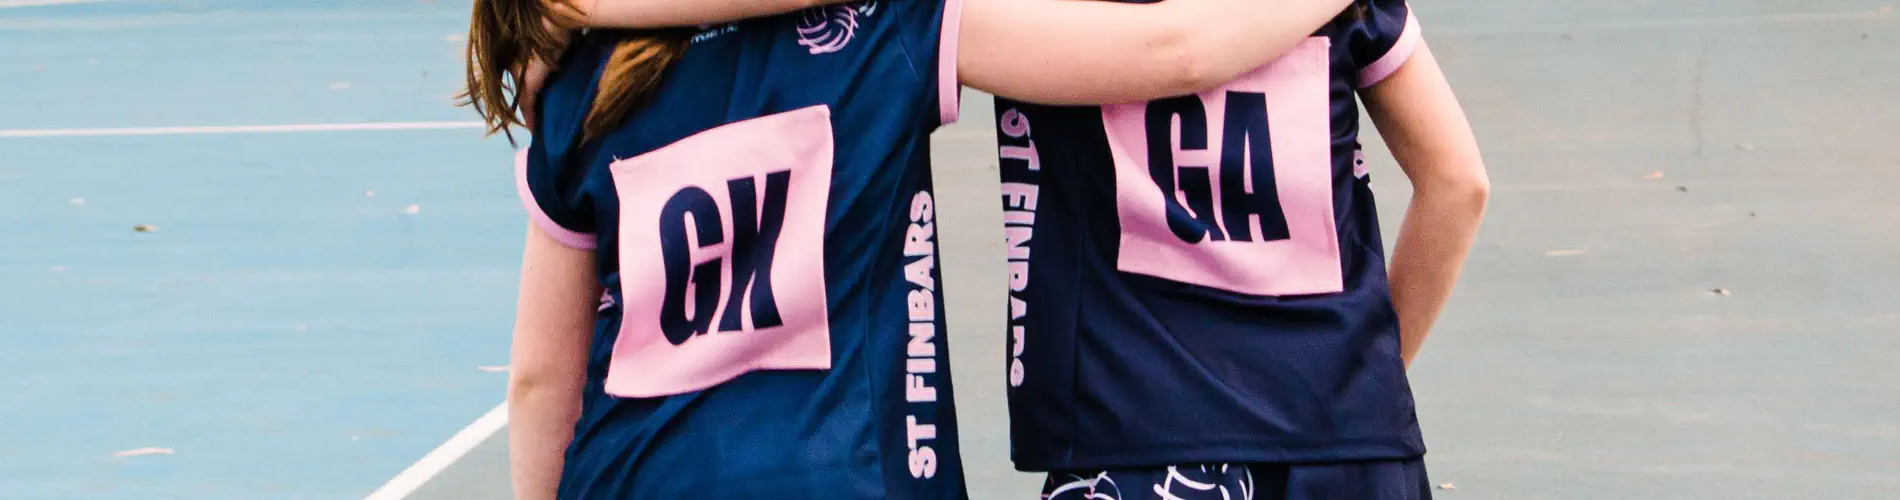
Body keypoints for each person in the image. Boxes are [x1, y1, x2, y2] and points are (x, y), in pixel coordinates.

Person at [459, 0, 1358, 498]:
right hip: (841, 474)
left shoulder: (584, 84)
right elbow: (1174, 51)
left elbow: (540, 379)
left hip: (633, 474)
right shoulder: (884, 29)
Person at [997, 2, 1490, 498]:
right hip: (1347, 434)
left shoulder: (1031, 13)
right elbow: (1457, 182)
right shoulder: (1352, 11)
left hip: (1136, 429)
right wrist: (1366, 373)